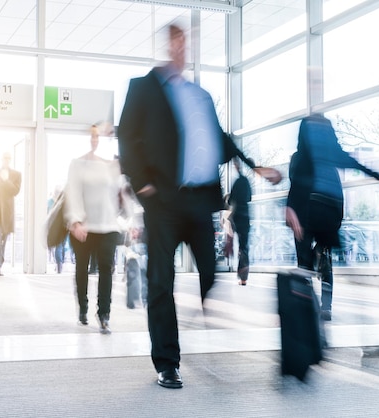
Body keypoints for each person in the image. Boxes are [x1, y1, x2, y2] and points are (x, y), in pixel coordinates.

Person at [117, 23, 282, 389]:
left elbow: (221, 141)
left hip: (198, 198)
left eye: (185, 43)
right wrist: (140, 182)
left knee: (210, 270)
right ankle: (167, 362)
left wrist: (255, 167)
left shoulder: (199, 96)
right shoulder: (144, 87)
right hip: (162, 199)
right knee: (161, 281)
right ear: (165, 46)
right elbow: (126, 133)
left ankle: (200, 308)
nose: (180, 48)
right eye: (174, 42)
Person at [285, 113, 379, 322]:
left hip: (307, 209)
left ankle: (307, 304)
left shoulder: (299, 157)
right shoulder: (332, 153)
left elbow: (296, 184)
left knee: (303, 262)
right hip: (331, 210)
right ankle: (326, 306)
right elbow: (354, 164)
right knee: (326, 257)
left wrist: (290, 209)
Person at [64, 124, 131, 334]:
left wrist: (132, 222)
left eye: (100, 136)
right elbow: (72, 193)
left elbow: (124, 194)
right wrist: (75, 222)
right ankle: (83, 308)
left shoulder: (114, 166)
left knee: (106, 269)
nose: (97, 140)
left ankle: (104, 314)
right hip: (83, 227)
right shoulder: (78, 164)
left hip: (108, 226)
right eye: (93, 136)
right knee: (82, 269)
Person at [228, 157, 253, 285]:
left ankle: (241, 275)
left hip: (237, 216)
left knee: (234, 242)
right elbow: (249, 197)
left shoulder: (237, 182)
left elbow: (230, 200)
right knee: (244, 247)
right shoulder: (246, 181)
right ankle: (243, 278)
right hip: (245, 216)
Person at [47, 185, 66, 274]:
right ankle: (59, 265)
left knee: (58, 247)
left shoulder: (50, 202)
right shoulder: (63, 202)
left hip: (55, 227)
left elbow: (48, 215)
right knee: (60, 247)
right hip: (63, 227)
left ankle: (59, 265)